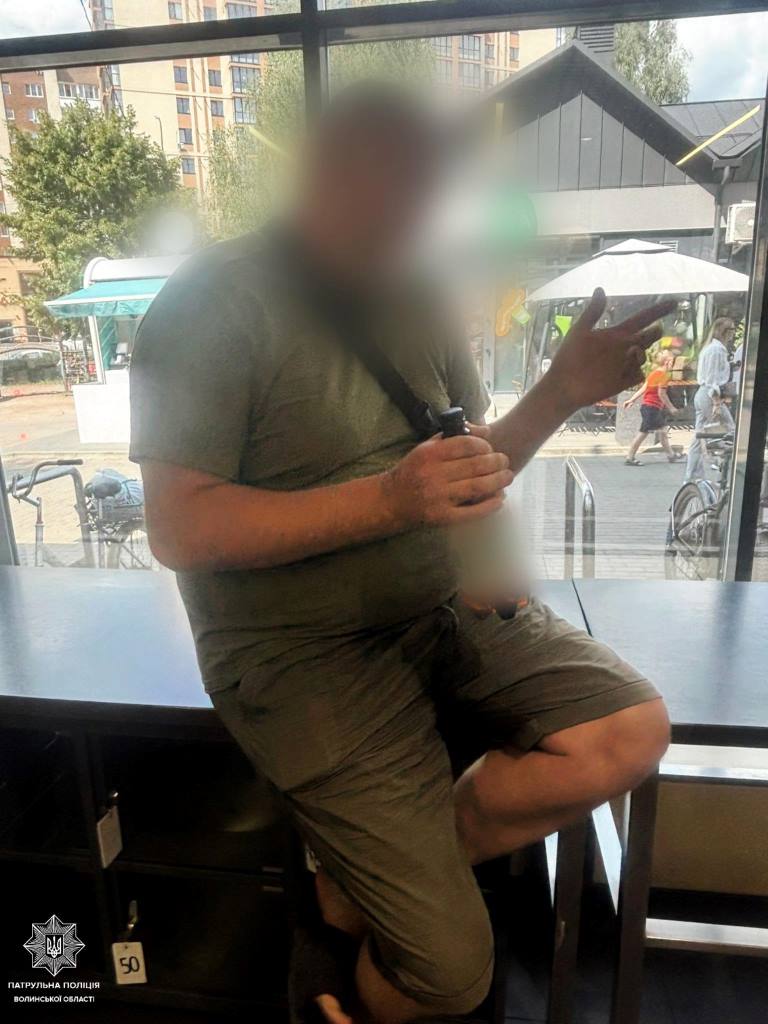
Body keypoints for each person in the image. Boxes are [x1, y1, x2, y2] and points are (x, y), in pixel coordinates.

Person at [129, 85, 671, 1024]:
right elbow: (179, 528)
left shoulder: (416, 288)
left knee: (631, 731)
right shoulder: (208, 304)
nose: (415, 216)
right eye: (394, 188)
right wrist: (389, 500)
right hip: (300, 653)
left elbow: (461, 462)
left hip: (442, 610)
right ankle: (367, 935)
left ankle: (359, 882)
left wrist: (559, 393)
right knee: (452, 977)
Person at [684, 317, 736, 482]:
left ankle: (692, 476)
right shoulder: (717, 350)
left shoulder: (710, 348)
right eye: (732, 329)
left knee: (698, 437)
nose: (734, 333)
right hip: (709, 395)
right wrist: (716, 402)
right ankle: (724, 472)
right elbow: (712, 379)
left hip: (702, 394)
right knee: (730, 432)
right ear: (724, 331)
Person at [623, 352, 684, 465]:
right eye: (673, 361)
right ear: (668, 362)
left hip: (648, 407)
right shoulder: (664, 376)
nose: (673, 364)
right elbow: (662, 394)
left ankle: (671, 455)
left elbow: (644, 388)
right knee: (643, 433)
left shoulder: (654, 373)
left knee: (662, 431)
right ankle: (630, 457)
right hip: (652, 408)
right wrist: (671, 407)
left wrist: (632, 400)